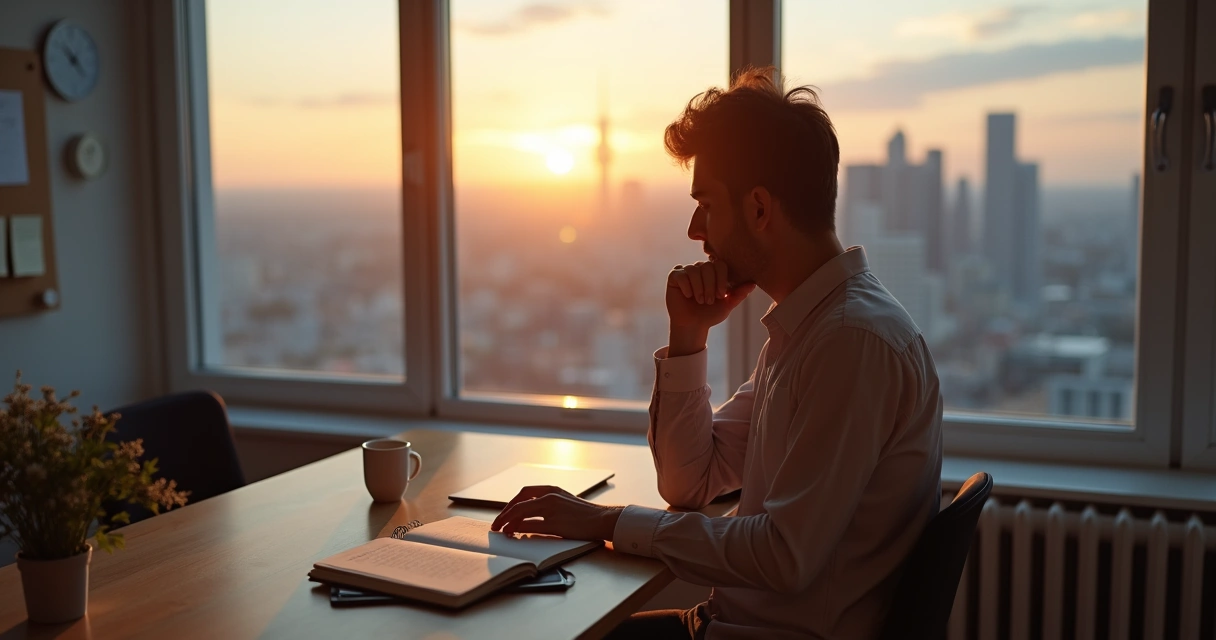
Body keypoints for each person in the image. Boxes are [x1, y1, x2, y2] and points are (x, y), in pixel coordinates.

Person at [491, 67, 943, 639]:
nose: (693, 229)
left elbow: (784, 555)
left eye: (705, 203)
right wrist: (688, 336)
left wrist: (605, 521)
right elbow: (689, 482)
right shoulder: (810, 329)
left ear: (759, 209)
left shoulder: (850, 342)